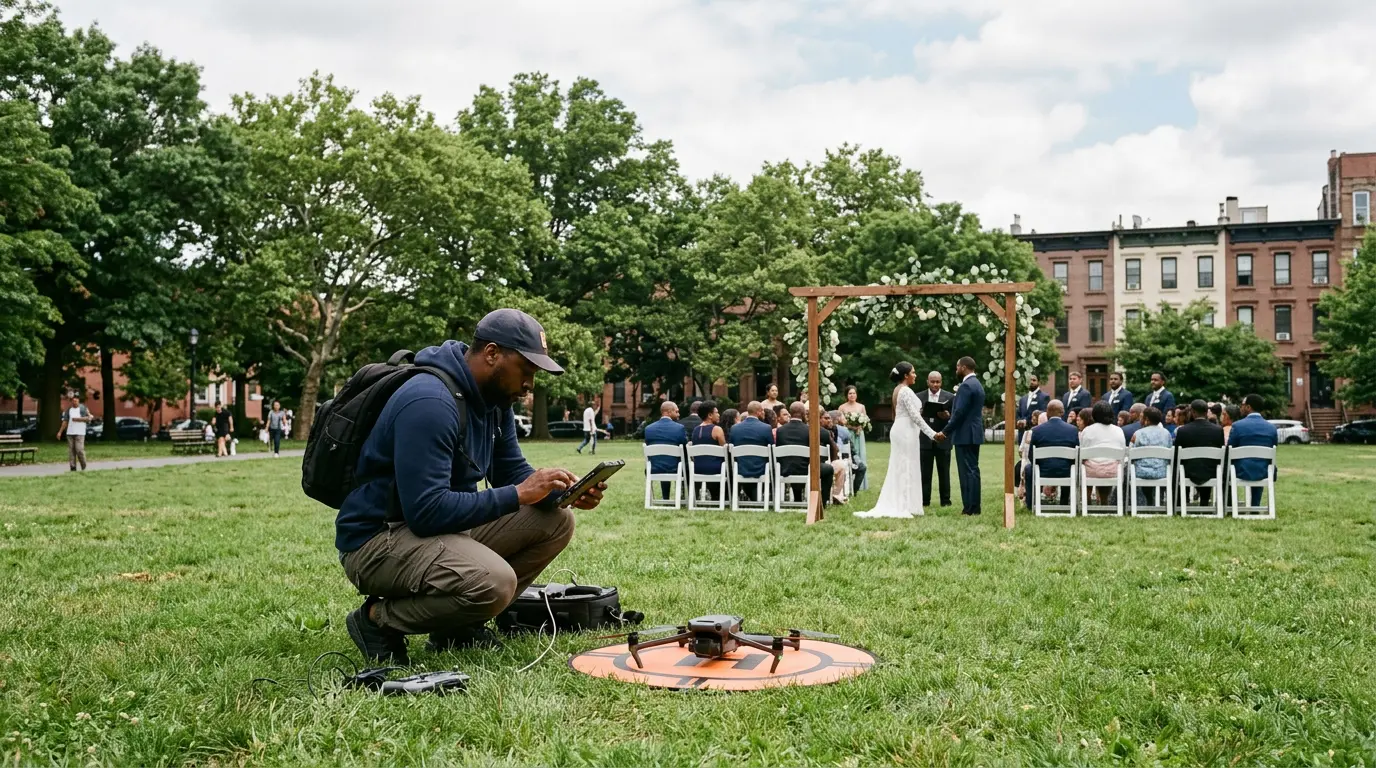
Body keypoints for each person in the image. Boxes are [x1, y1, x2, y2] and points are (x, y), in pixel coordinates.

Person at [336, 308, 604, 664]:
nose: (529, 385)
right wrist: (520, 494)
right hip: (378, 540)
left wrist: (562, 493)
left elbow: (510, 469)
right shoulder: (429, 401)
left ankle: (458, 627)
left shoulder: (493, 401)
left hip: (435, 530)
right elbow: (427, 512)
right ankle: (377, 621)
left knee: (556, 520)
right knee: (494, 582)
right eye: (526, 370)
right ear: (492, 354)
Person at [856, 362, 940, 518]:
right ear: (906, 375)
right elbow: (915, 416)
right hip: (905, 431)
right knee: (905, 467)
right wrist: (933, 434)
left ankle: (907, 504)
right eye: (913, 373)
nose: (916, 375)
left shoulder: (897, 390)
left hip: (900, 428)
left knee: (901, 466)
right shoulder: (906, 391)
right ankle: (902, 505)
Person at [935, 356, 984, 516]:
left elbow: (960, 413)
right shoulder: (977, 384)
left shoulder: (966, 386)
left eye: (957, 367)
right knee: (973, 470)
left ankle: (969, 508)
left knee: (966, 472)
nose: (956, 370)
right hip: (974, 433)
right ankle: (974, 506)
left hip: (965, 434)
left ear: (963, 367)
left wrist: (945, 431)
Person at [777, 402, 836, 505]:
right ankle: (822, 502)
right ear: (804, 413)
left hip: (785, 469)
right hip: (807, 469)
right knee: (829, 469)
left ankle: (798, 499)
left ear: (790, 413)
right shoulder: (810, 430)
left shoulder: (780, 431)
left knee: (794, 462)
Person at [1025, 399, 1078, 507]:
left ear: (1047, 412)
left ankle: (1031, 503)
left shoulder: (1037, 430)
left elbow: (1031, 455)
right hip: (1066, 471)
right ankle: (1064, 502)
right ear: (1062, 412)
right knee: (1072, 466)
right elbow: (1076, 455)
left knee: (1028, 468)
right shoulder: (1072, 430)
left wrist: (1040, 466)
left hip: (1043, 471)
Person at [1229, 393, 1278, 506]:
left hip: (1241, 470)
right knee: (1261, 462)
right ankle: (1255, 505)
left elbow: (1230, 449)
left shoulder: (1237, 426)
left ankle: (1230, 504)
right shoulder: (1271, 428)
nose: (1241, 407)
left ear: (1248, 407)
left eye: (1243, 405)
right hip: (1265, 471)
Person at [1175, 399, 1225, 508]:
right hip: (1211, 471)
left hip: (1188, 471)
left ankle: (1180, 503)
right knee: (1207, 464)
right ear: (1206, 412)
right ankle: (1204, 502)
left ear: (1192, 412)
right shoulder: (1218, 430)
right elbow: (1221, 452)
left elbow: (1176, 454)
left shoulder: (1183, 430)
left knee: (1179, 467)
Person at [918, 371, 954, 508]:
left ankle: (945, 501)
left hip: (943, 440)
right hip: (924, 440)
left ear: (941, 382)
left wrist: (947, 416)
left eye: (937, 382)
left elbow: (954, 418)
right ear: (927, 382)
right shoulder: (918, 397)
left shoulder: (950, 397)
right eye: (932, 381)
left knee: (944, 472)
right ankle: (924, 501)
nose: (935, 384)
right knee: (925, 473)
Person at [1080, 401, 1126, 505]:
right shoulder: (1118, 430)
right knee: (1107, 464)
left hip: (1090, 471)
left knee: (1085, 466)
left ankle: (1086, 502)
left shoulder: (1087, 430)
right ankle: (1104, 501)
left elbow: (1082, 454)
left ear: (1094, 415)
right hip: (1113, 471)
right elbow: (1122, 452)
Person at [728, 402, 774, 502]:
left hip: (740, 468)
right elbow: (771, 449)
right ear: (758, 412)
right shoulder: (766, 428)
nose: (763, 413)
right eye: (762, 411)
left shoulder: (735, 428)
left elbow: (730, 448)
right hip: (760, 468)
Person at [645, 400, 689, 500]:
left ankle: (666, 497)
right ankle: (684, 496)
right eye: (676, 411)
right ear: (669, 412)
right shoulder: (679, 428)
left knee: (662, 460)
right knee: (684, 465)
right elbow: (685, 447)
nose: (679, 414)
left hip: (654, 468)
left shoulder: (648, 429)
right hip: (675, 468)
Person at [1130, 406, 1172, 508]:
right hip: (1162, 472)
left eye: (1141, 417)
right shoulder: (1167, 434)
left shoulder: (1138, 434)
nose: (1140, 420)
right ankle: (1157, 500)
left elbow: (1131, 452)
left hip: (1141, 472)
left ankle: (1136, 502)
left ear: (1147, 420)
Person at [689, 401, 727, 501]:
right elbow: (725, 450)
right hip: (715, 468)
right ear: (710, 415)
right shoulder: (717, 429)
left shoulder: (696, 430)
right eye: (717, 412)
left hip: (697, 468)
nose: (719, 415)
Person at [837, 385, 870, 490]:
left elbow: (865, 420)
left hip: (859, 434)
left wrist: (860, 427)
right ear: (846, 395)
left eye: (854, 393)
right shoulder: (842, 407)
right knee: (849, 455)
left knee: (860, 455)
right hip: (848, 433)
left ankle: (860, 483)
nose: (852, 395)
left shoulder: (861, 407)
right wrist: (852, 427)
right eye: (850, 393)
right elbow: (840, 423)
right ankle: (847, 482)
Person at [830, 409, 867, 494]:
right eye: (843, 415)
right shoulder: (843, 430)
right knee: (862, 468)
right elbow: (850, 448)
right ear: (838, 418)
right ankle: (854, 490)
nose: (845, 417)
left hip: (836, 458)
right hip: (844, 458)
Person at [819, 411, 851, 504]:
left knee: (840, 464)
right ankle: (835, 495)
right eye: (826, 418)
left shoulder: (832, 431)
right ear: (819, 419)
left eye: (829, 418)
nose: (829, 420)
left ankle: (836, 495)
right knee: (840, 466)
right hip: (823, 465)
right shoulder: (825, 433)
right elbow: (835, 449)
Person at [56, 393, 91, 472]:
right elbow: (65, 421)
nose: (75, 402)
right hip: (70, 433)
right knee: (71, 451)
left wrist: (85, 418)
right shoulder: (69, 410)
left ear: (78, 401)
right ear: (71, 401)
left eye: (76, 401)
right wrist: (60, 432)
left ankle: (83, 466)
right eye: (73, 401)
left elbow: (89, 418)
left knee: (79, 450)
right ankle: (73, 468)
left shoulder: (83, 408)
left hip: (80, 433)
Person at [1015, 374, 1050, 444]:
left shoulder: (1044, 397)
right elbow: (1018, 413)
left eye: (1034, 380)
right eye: (1029, 380)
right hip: (1022, 433)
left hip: (1035, 432)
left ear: (1038, 382)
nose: (1031, 382)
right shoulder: (1023, 399)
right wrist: (1019, 421)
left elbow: (1043, 413)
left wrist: (1027, 421)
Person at [1015, 409, 1043, 497]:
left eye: (1034, 419)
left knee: (1022, 467)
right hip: (1031, 461)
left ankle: (1024, 493)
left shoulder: (1028, 433)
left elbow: (1020, 450)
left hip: (1029, 462)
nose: (1033, 420)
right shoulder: (1028, 432)